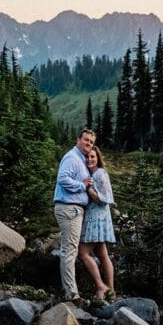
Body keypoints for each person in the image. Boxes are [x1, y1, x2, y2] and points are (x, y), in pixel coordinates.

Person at [53, 127, 95, 302]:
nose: (88, 144)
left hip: (74, 209)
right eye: (86, 140)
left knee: (71, 250)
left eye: (91, 142)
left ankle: (71, 292)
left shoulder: (79, 158)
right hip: (69, 208)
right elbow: (62, 179)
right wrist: (82, 185)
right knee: (69, 251)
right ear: (78, 139)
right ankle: (71, 294)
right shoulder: (72, 157)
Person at [78, 146, 116, 302]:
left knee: (83, 253)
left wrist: (89, 190)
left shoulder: (100, 173)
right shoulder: (92, 174)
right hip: (97, 217)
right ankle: (111, 293)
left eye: (92, 156)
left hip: (97, 218)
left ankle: (101, 286)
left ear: (98, 158)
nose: (89, 159)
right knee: (103, 255)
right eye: (87, 157)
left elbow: (104, 199)